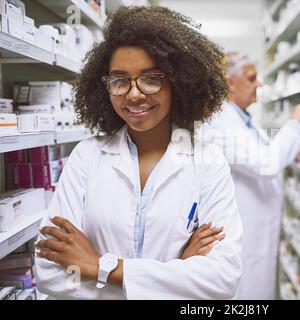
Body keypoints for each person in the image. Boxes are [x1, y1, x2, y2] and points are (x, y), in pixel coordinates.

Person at [34, 6, 243, 300]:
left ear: (177, 82)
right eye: (120, 81)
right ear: (105, 86)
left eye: (151, 78)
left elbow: (222, 280)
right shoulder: (87, 157)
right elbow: (49, 272)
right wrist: (175, 272)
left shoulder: (208, 162)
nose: (134, 94)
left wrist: (100, 266)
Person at [200, 52, 300, 299]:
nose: (259, 84)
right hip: (246, 231)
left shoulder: (244, 119)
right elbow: (266, 164)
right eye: (252, 78)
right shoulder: (220, 123)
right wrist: (294, 123)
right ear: (229, 82)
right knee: (247, 293)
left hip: (259, 225)